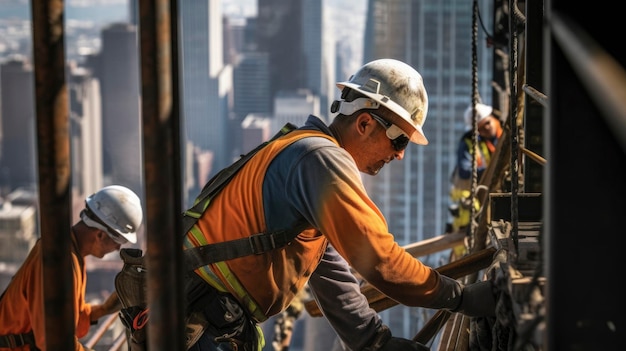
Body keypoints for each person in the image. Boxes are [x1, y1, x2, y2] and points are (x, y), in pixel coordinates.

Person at [183, 59, 496, 351]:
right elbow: (380, 260)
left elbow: (330, 272)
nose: (400, 154)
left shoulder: (306, 157)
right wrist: (461, 298)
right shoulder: (320, 159)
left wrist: (374, 341)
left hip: (208, 318)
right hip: (203, 322)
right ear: (364, 124)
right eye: (399, 140)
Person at [0, 185, 144, 351]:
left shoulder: (71, 253)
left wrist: (104, 309)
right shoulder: (59, 260)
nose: (117, 249)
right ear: (100, 235)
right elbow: (52, 342)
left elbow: (67, 319)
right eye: (118, 242)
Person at [448, 103, 503, 239]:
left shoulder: (506, 137)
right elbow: (465, 171)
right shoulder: (469, 143)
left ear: (494, 118)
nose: (486, 128)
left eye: (487, 123)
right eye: (481, 128)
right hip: (478, 203)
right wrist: (488, 172)